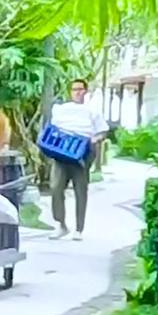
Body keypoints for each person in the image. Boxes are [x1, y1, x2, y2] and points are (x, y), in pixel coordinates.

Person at [47, 78, 107, 240]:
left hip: (81, 155)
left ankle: (79, 229)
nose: (77, 92)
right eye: (74, 90)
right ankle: (61, 224)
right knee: (56, 188)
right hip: (61, 153)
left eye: (80, 89)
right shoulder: (62, 110)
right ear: (70, 92)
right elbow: (54, 128)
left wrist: (94, 139)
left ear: (86, 92)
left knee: (80, 191)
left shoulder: (92, 111)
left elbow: (102, 132)